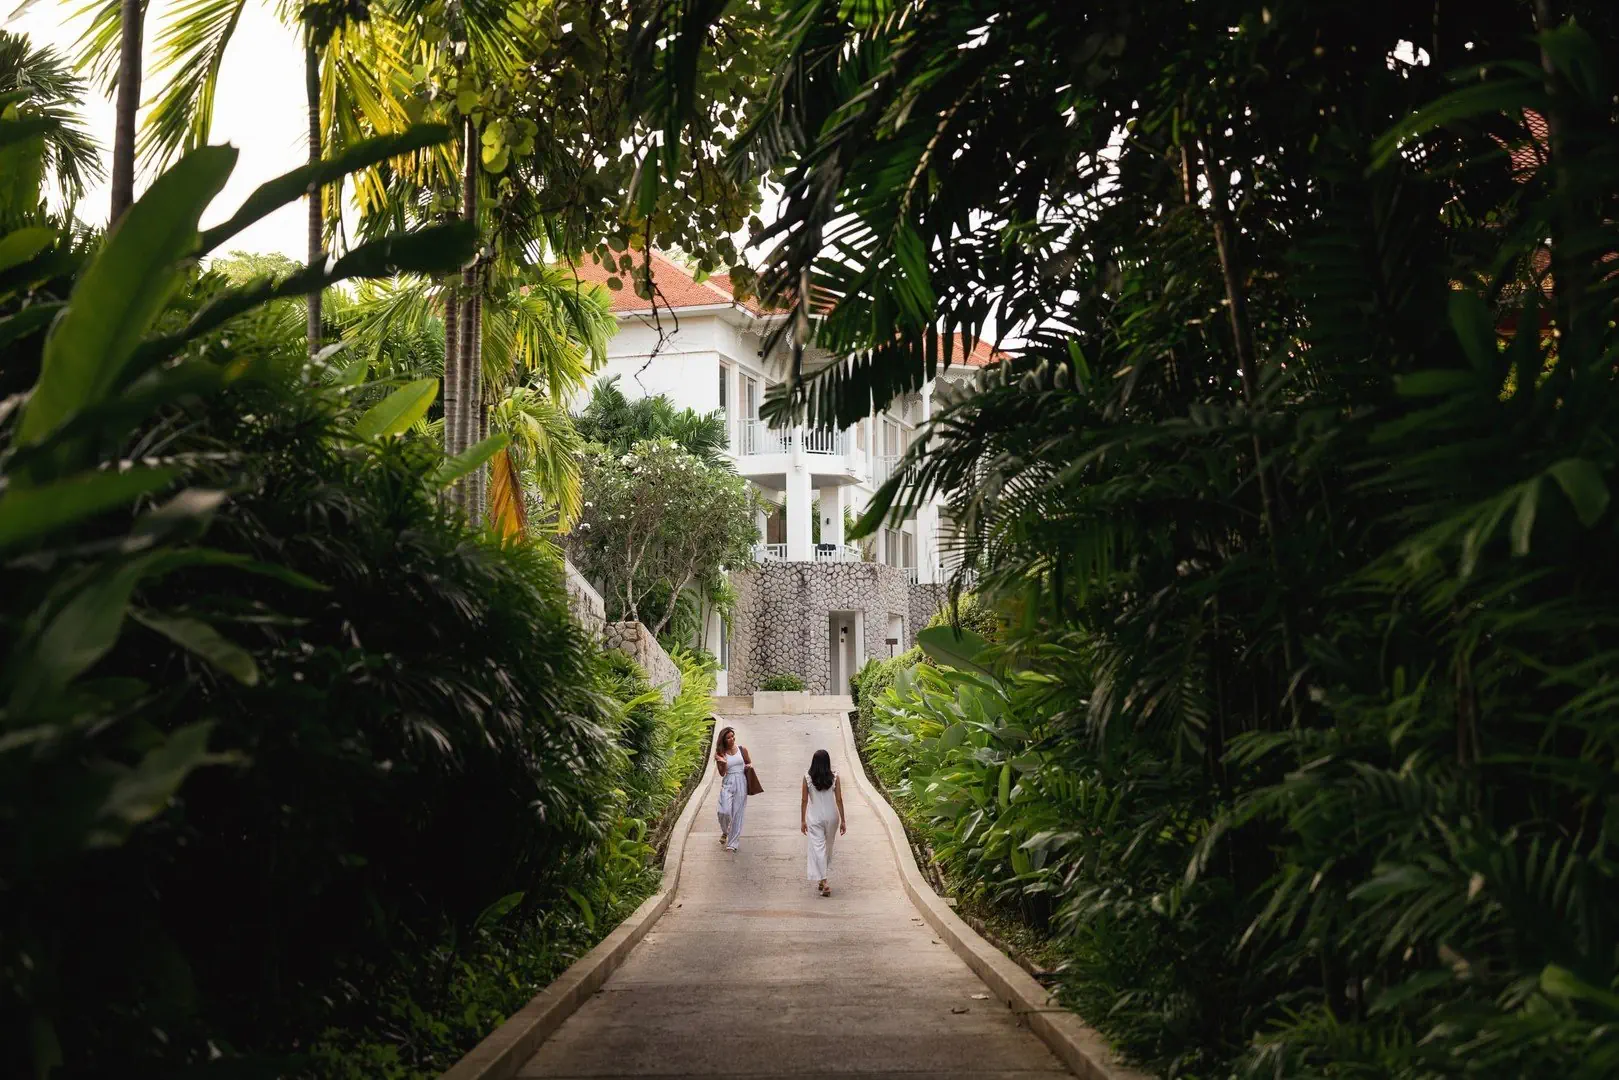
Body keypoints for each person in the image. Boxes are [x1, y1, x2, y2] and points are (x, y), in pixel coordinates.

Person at [801, 749, 846, 896]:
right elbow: (839, 799)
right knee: (828, 847)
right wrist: (843, 820)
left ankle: (824, 881)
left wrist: (802, 820)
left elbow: (804, 800)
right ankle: (822, 879)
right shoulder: (834, 777)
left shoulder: (807, 778)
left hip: (814, 817)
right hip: (832, 816)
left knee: (818, 848)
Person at [714, 726, 753, 853]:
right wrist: (723, 762)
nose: (732, 739)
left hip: (741, 781)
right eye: (728, 737)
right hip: (728, 782)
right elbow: (722, 773)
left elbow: (748, 762)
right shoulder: (720, 754)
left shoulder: (742, 749)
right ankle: (726, 831)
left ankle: (732, 844)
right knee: (723, 811)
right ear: (723, 740)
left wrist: (748, 766)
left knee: (737, 813)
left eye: (732, 736)